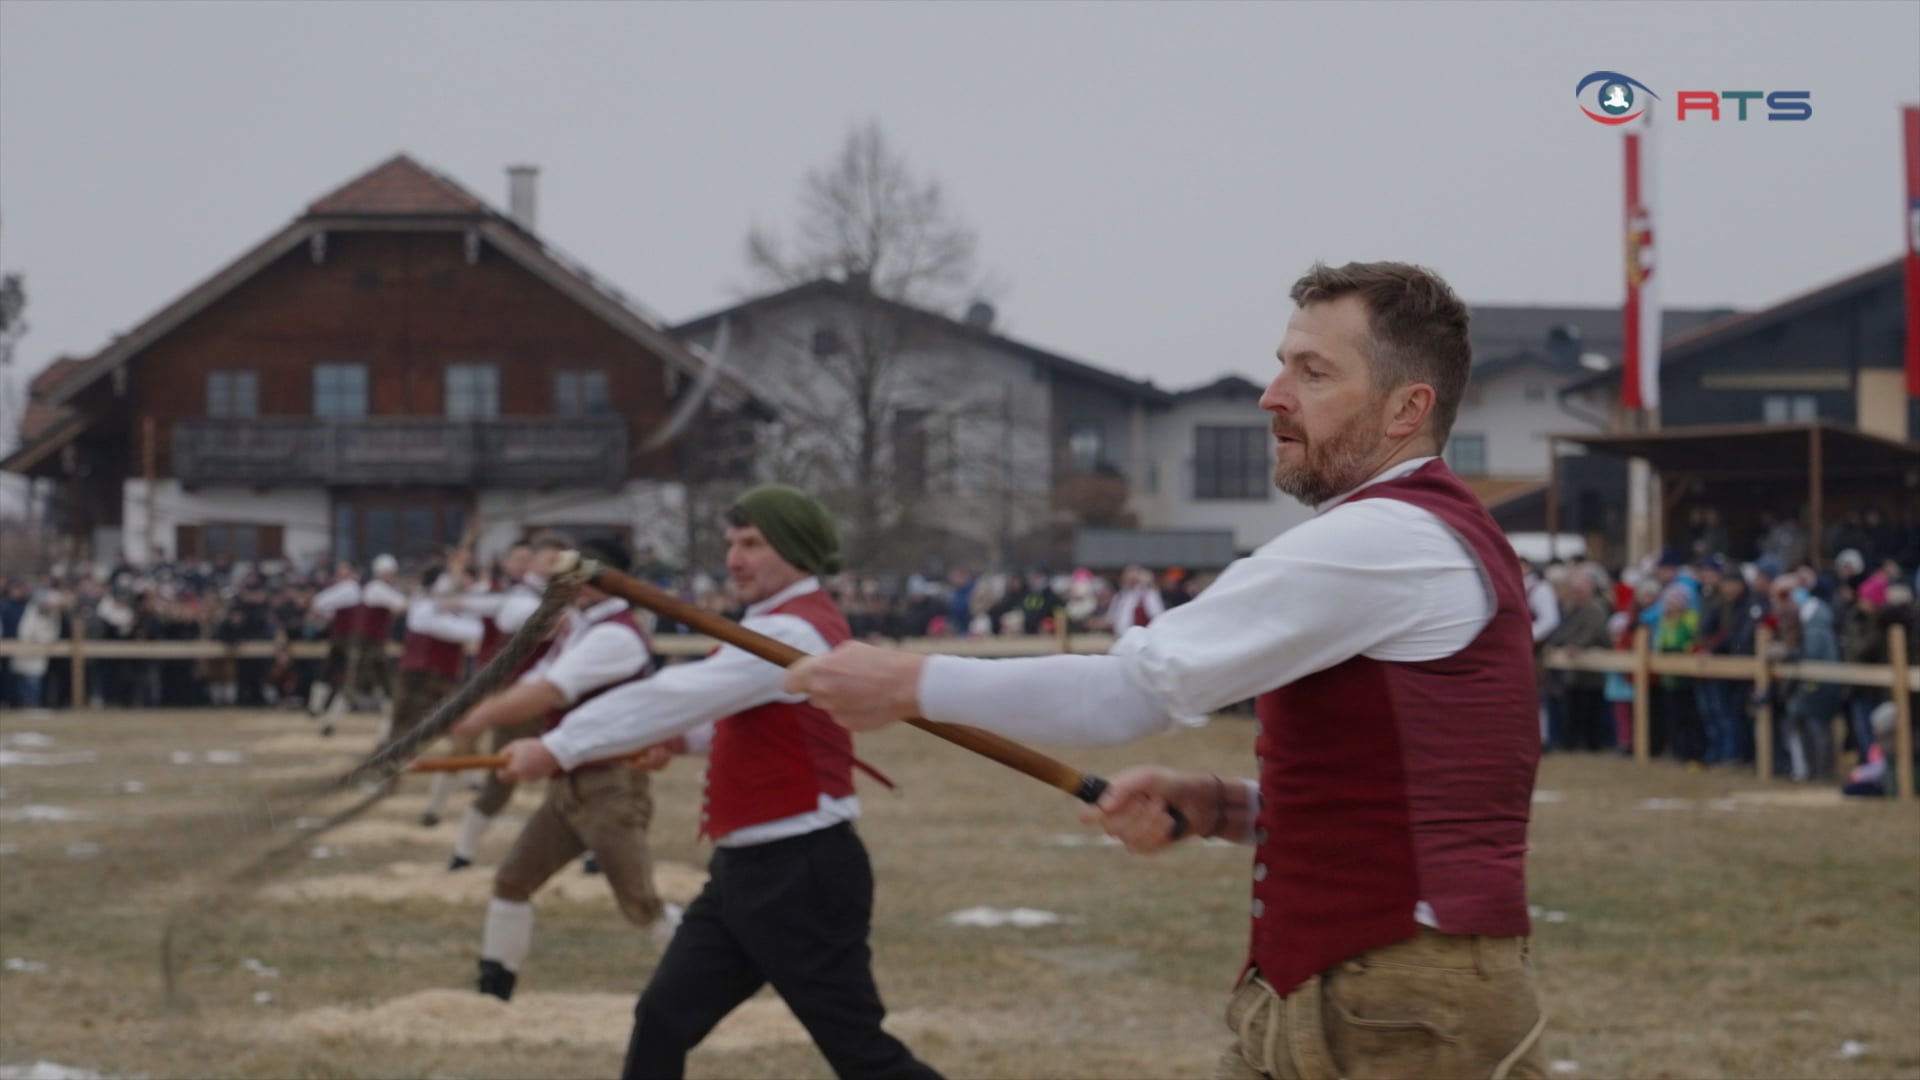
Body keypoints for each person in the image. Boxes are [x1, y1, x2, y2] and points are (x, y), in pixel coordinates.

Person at [784, 262, 1549, 1079]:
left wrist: (908, 683)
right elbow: (1414, 793)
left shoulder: (1387, 538)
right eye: (1284, 361)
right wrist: (1225, 807)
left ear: (1408, 408)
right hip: (1361, 988)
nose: (1273, 394)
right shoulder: (1415, 534)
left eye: (1313, 371)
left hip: (1398, 1004)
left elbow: (1130, 690)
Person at [496, 485, 940, 1080]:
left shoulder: (794, 633)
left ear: (796, 549)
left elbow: (678, 694)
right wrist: (683, 742)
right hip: (744, 873)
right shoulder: (771, 624)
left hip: (800, 872)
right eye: (731, 542)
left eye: (752, 543)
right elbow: (744, 717)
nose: (734, 558)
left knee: (861, 1054)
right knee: (662, 1019)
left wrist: (558, 745)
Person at [448, 537, 672, 1001]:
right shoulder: (581, 627)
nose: (581, 586)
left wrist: (482, 716)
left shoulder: (616, 634)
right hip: (570, 779)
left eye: (592, 576)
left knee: (639, 903)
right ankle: (494, 992)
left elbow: (549, 691)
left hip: (611, 786)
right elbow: (534, 680)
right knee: (512, 880)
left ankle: (708, 976)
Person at [443, 534, 571, 870]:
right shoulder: (520, 597)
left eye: (562, 562)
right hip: (520, 700)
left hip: (562, 699)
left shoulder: (569, 596)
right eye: (549, 562)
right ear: (532, 565)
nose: (556, 568)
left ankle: (589, 856)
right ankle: (463, 852)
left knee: (576, 775)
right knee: (502, 777)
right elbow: (520, 620)